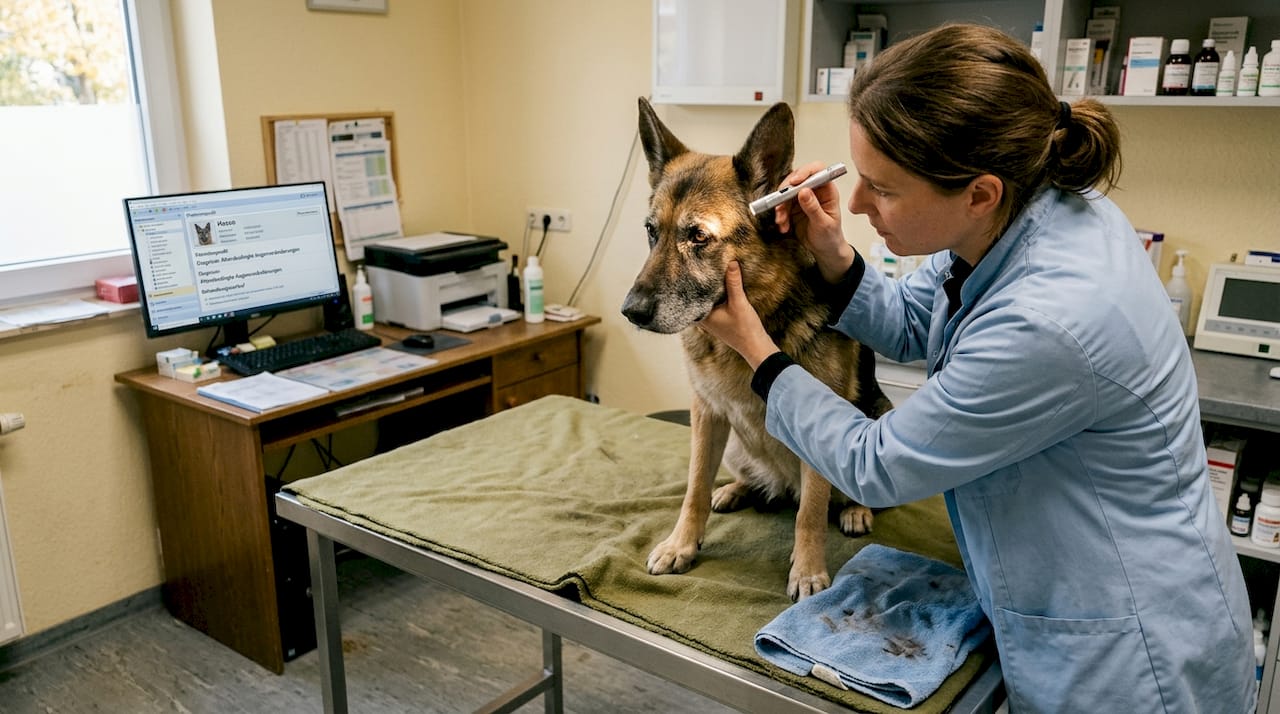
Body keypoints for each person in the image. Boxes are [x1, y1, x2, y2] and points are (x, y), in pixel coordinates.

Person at [699, 23, 1256, 712]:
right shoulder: (1033, 212)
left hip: (1129, 659)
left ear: (979, 192)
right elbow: (910, 320)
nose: (863, 206)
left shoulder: (1052, 319)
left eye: (882, 188)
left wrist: (758, 352)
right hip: (1070, 595)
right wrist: (834, 255)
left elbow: (877, 465)